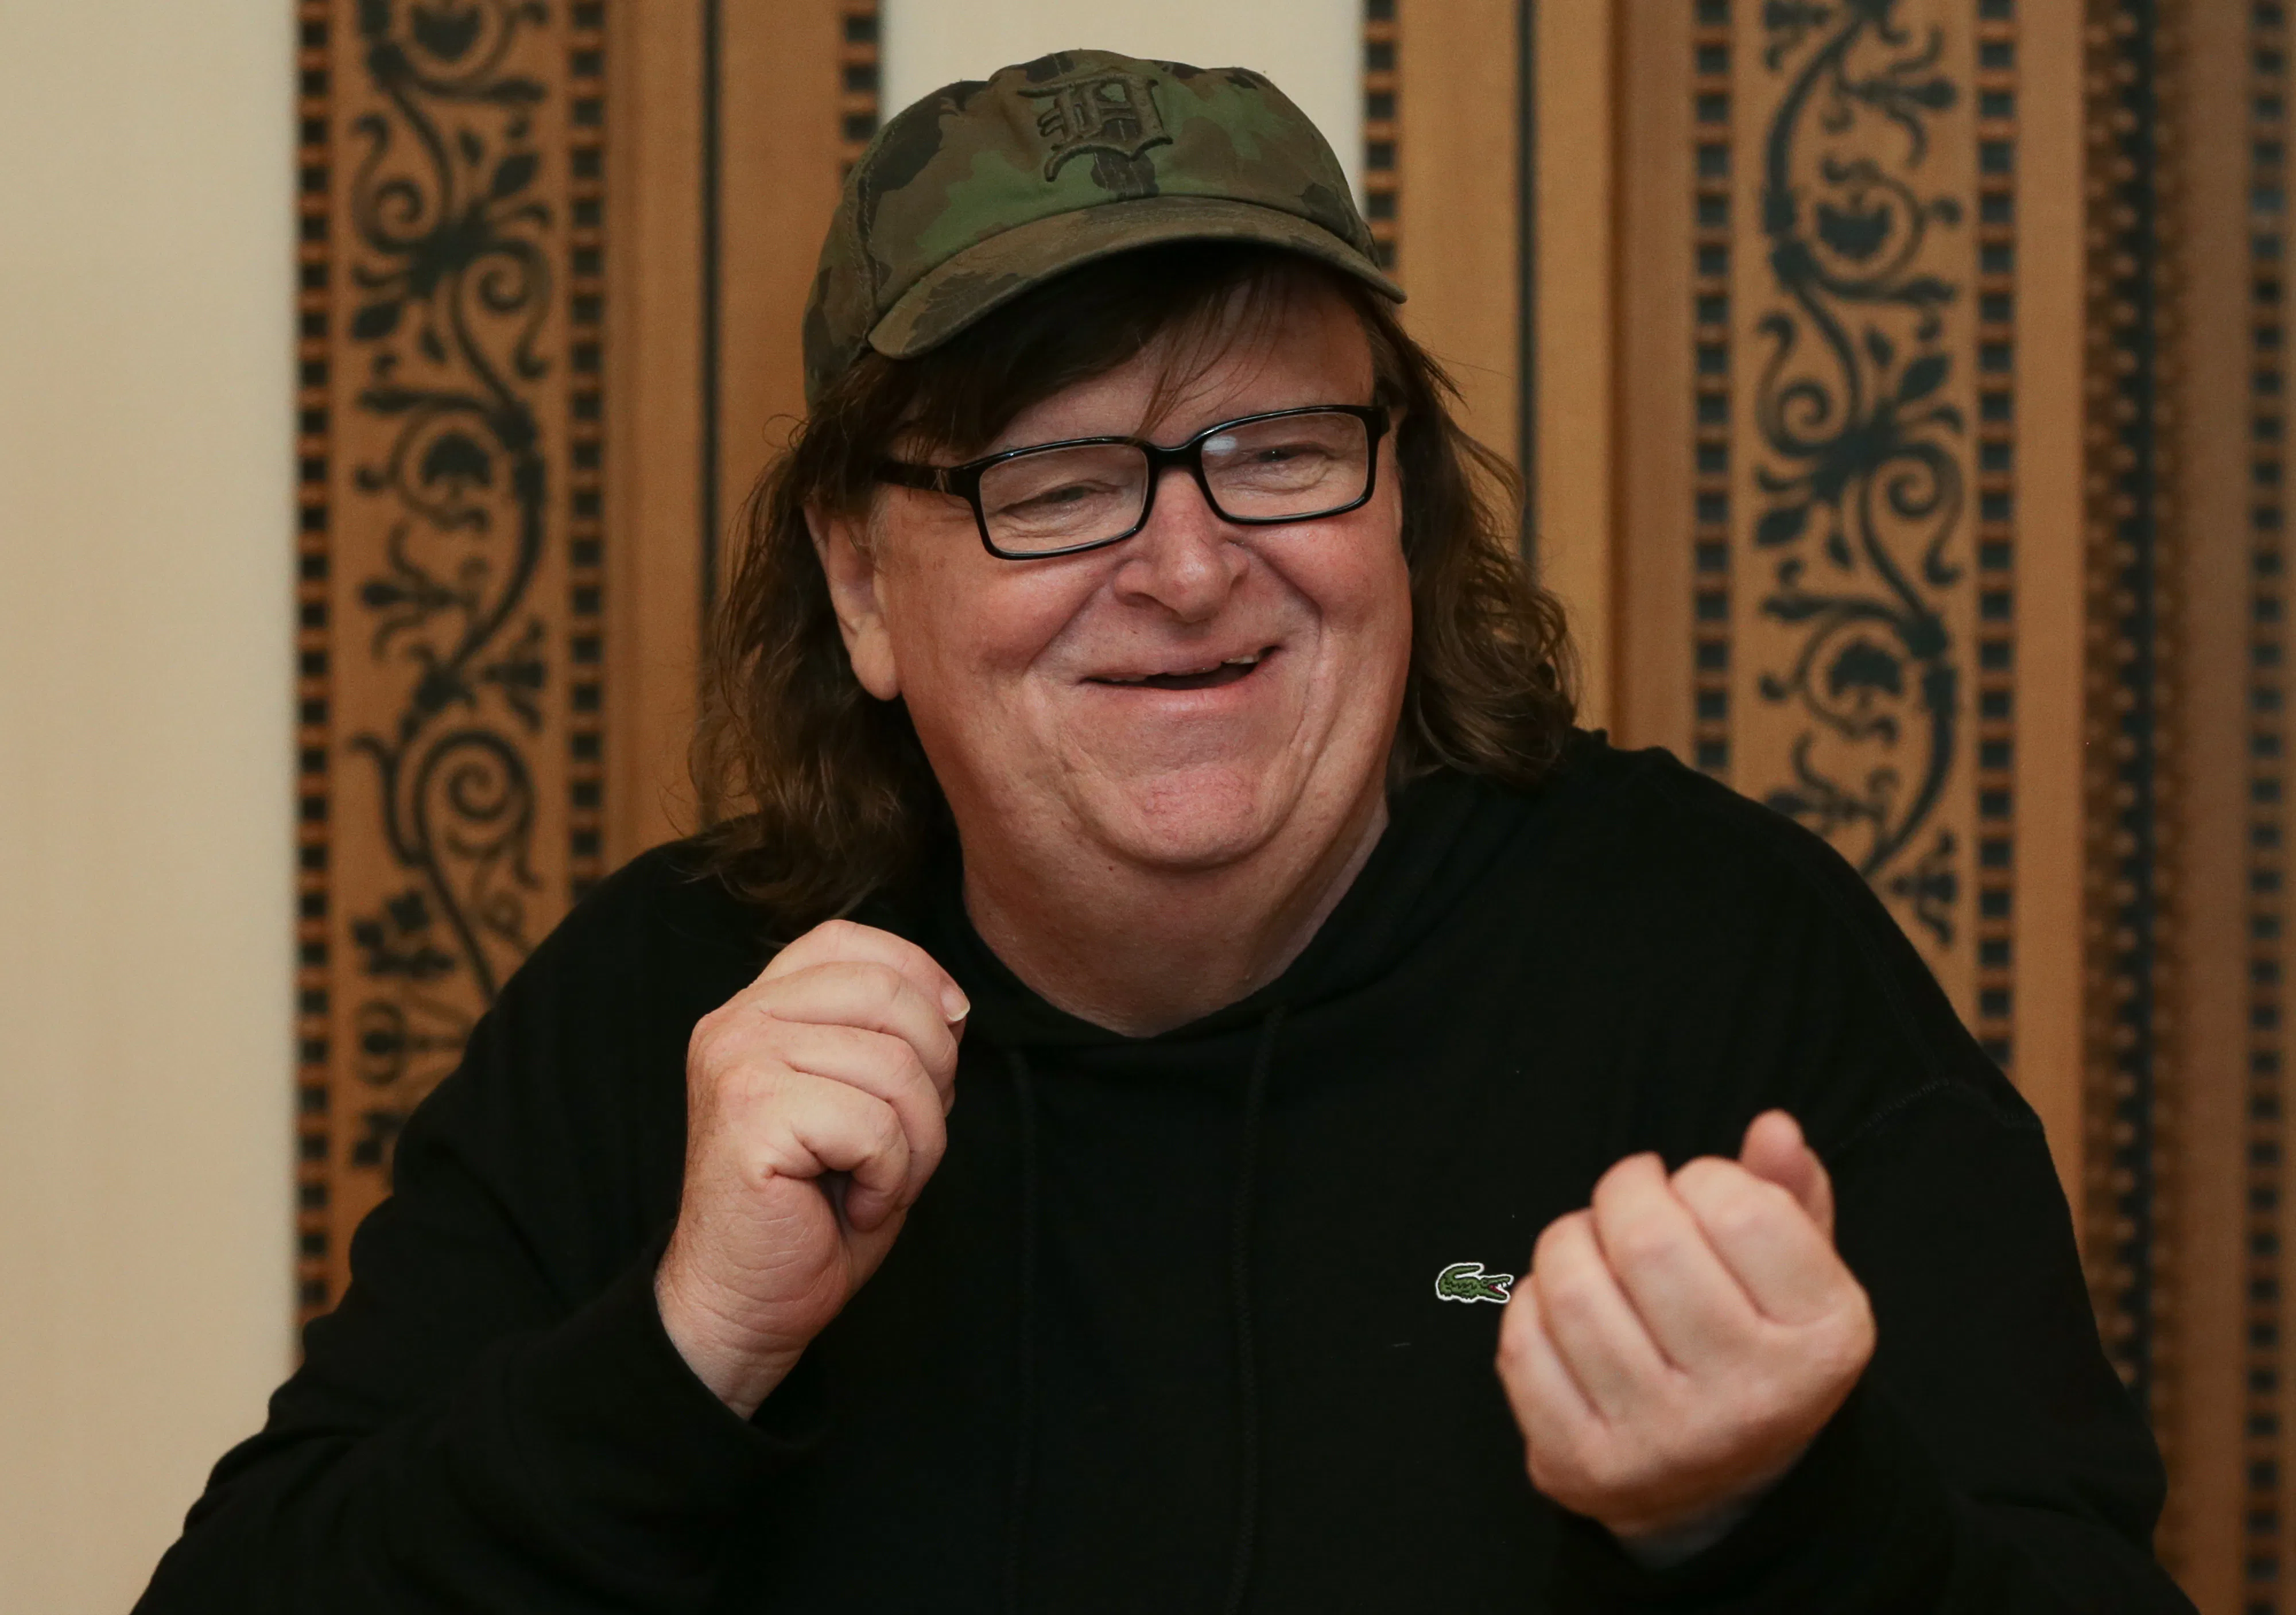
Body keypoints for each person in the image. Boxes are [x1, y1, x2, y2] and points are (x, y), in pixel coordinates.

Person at [140, 49, 2190, 1614]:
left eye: (1274, 449)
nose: (1193, 568)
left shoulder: (1719, 949)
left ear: (1401, 508)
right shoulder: (669, 1005)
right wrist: (690, 1350)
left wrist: (1773, 1509)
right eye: (1051, 482)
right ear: (862, 584)